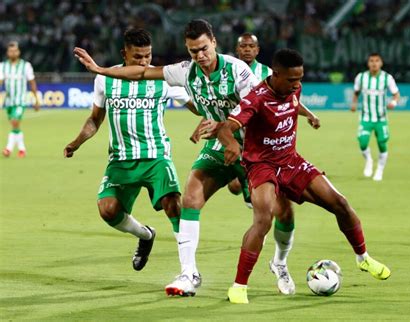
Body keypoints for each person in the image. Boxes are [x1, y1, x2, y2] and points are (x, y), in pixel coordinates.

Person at [73, 19, 297, 297]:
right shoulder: (185, 71)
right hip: (219, 145)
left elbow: (255, 110)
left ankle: (280, 262)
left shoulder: (237, 71)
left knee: (280, 211)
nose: (199, 56)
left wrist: (223, 126)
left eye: (203, 48)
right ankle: (189, 273)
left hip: (256, 148)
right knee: (190, 198)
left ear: (214, 43)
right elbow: (143, 74)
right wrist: (100, 69)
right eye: (193, 51)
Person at [217, 48, 391, 304]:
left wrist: (309, 114)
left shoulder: (293, 89)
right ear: (275, 75)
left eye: (300, 79)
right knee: (263, 220)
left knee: (341, 204)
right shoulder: (256, 99)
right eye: (291, 80)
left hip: (291, 161)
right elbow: (225, 127)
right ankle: (239, 285)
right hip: (262, 166)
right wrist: (231, 144)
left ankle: (363, 258)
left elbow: (294, 103)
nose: (297, 84)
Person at [64, 28, 197, 275]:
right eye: (138, 57)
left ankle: (189, 271)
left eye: (147, 56)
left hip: (156, 156)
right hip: (121, 160)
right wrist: (77, 142)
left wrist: (211, 115)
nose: (144, 62)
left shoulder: (163, 77)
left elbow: (196, 106)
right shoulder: (106, 78)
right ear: (124, 53)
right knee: (108, 210)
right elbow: (95, 119)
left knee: (174, 205)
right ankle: (146, 235)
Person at [190, 32, 271, 205]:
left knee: (260, 198)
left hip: (255, 136)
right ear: (237, 49)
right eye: (243, 46)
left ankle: (247, 182)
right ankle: (242, 180)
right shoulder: (229, 68)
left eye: (251, 47)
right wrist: (203, 123)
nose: (247, 50)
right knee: (233, 186)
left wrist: (309, 114)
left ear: (257, 50)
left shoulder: (266, 73)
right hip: (228, 133)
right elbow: (216, 103)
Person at [351, 53, 400, 181]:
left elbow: (396, 94)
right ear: (368, 63)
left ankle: (380, 170)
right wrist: (354, 103)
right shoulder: (361, 77)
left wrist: (394, 103)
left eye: (377, 61)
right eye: (371, 61)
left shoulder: (387, 78)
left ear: (381, 63)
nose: (374, 63)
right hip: (366, 117)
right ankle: (369, 161)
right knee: (362, 142)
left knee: (382, 143)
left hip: (381, 118)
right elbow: (356, 92)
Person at [0, 41, 40, 158]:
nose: (13, 53)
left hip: (20, 100)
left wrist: (36, 99)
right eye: (10, 51)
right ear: (7, 53)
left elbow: (32, 83)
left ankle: (8, 149)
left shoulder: (25, 66)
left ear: (19, 52)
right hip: (9, 101)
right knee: (15, 126)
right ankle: (22, 149)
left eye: (15, 51)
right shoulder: (3, 66)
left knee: (15, 122)